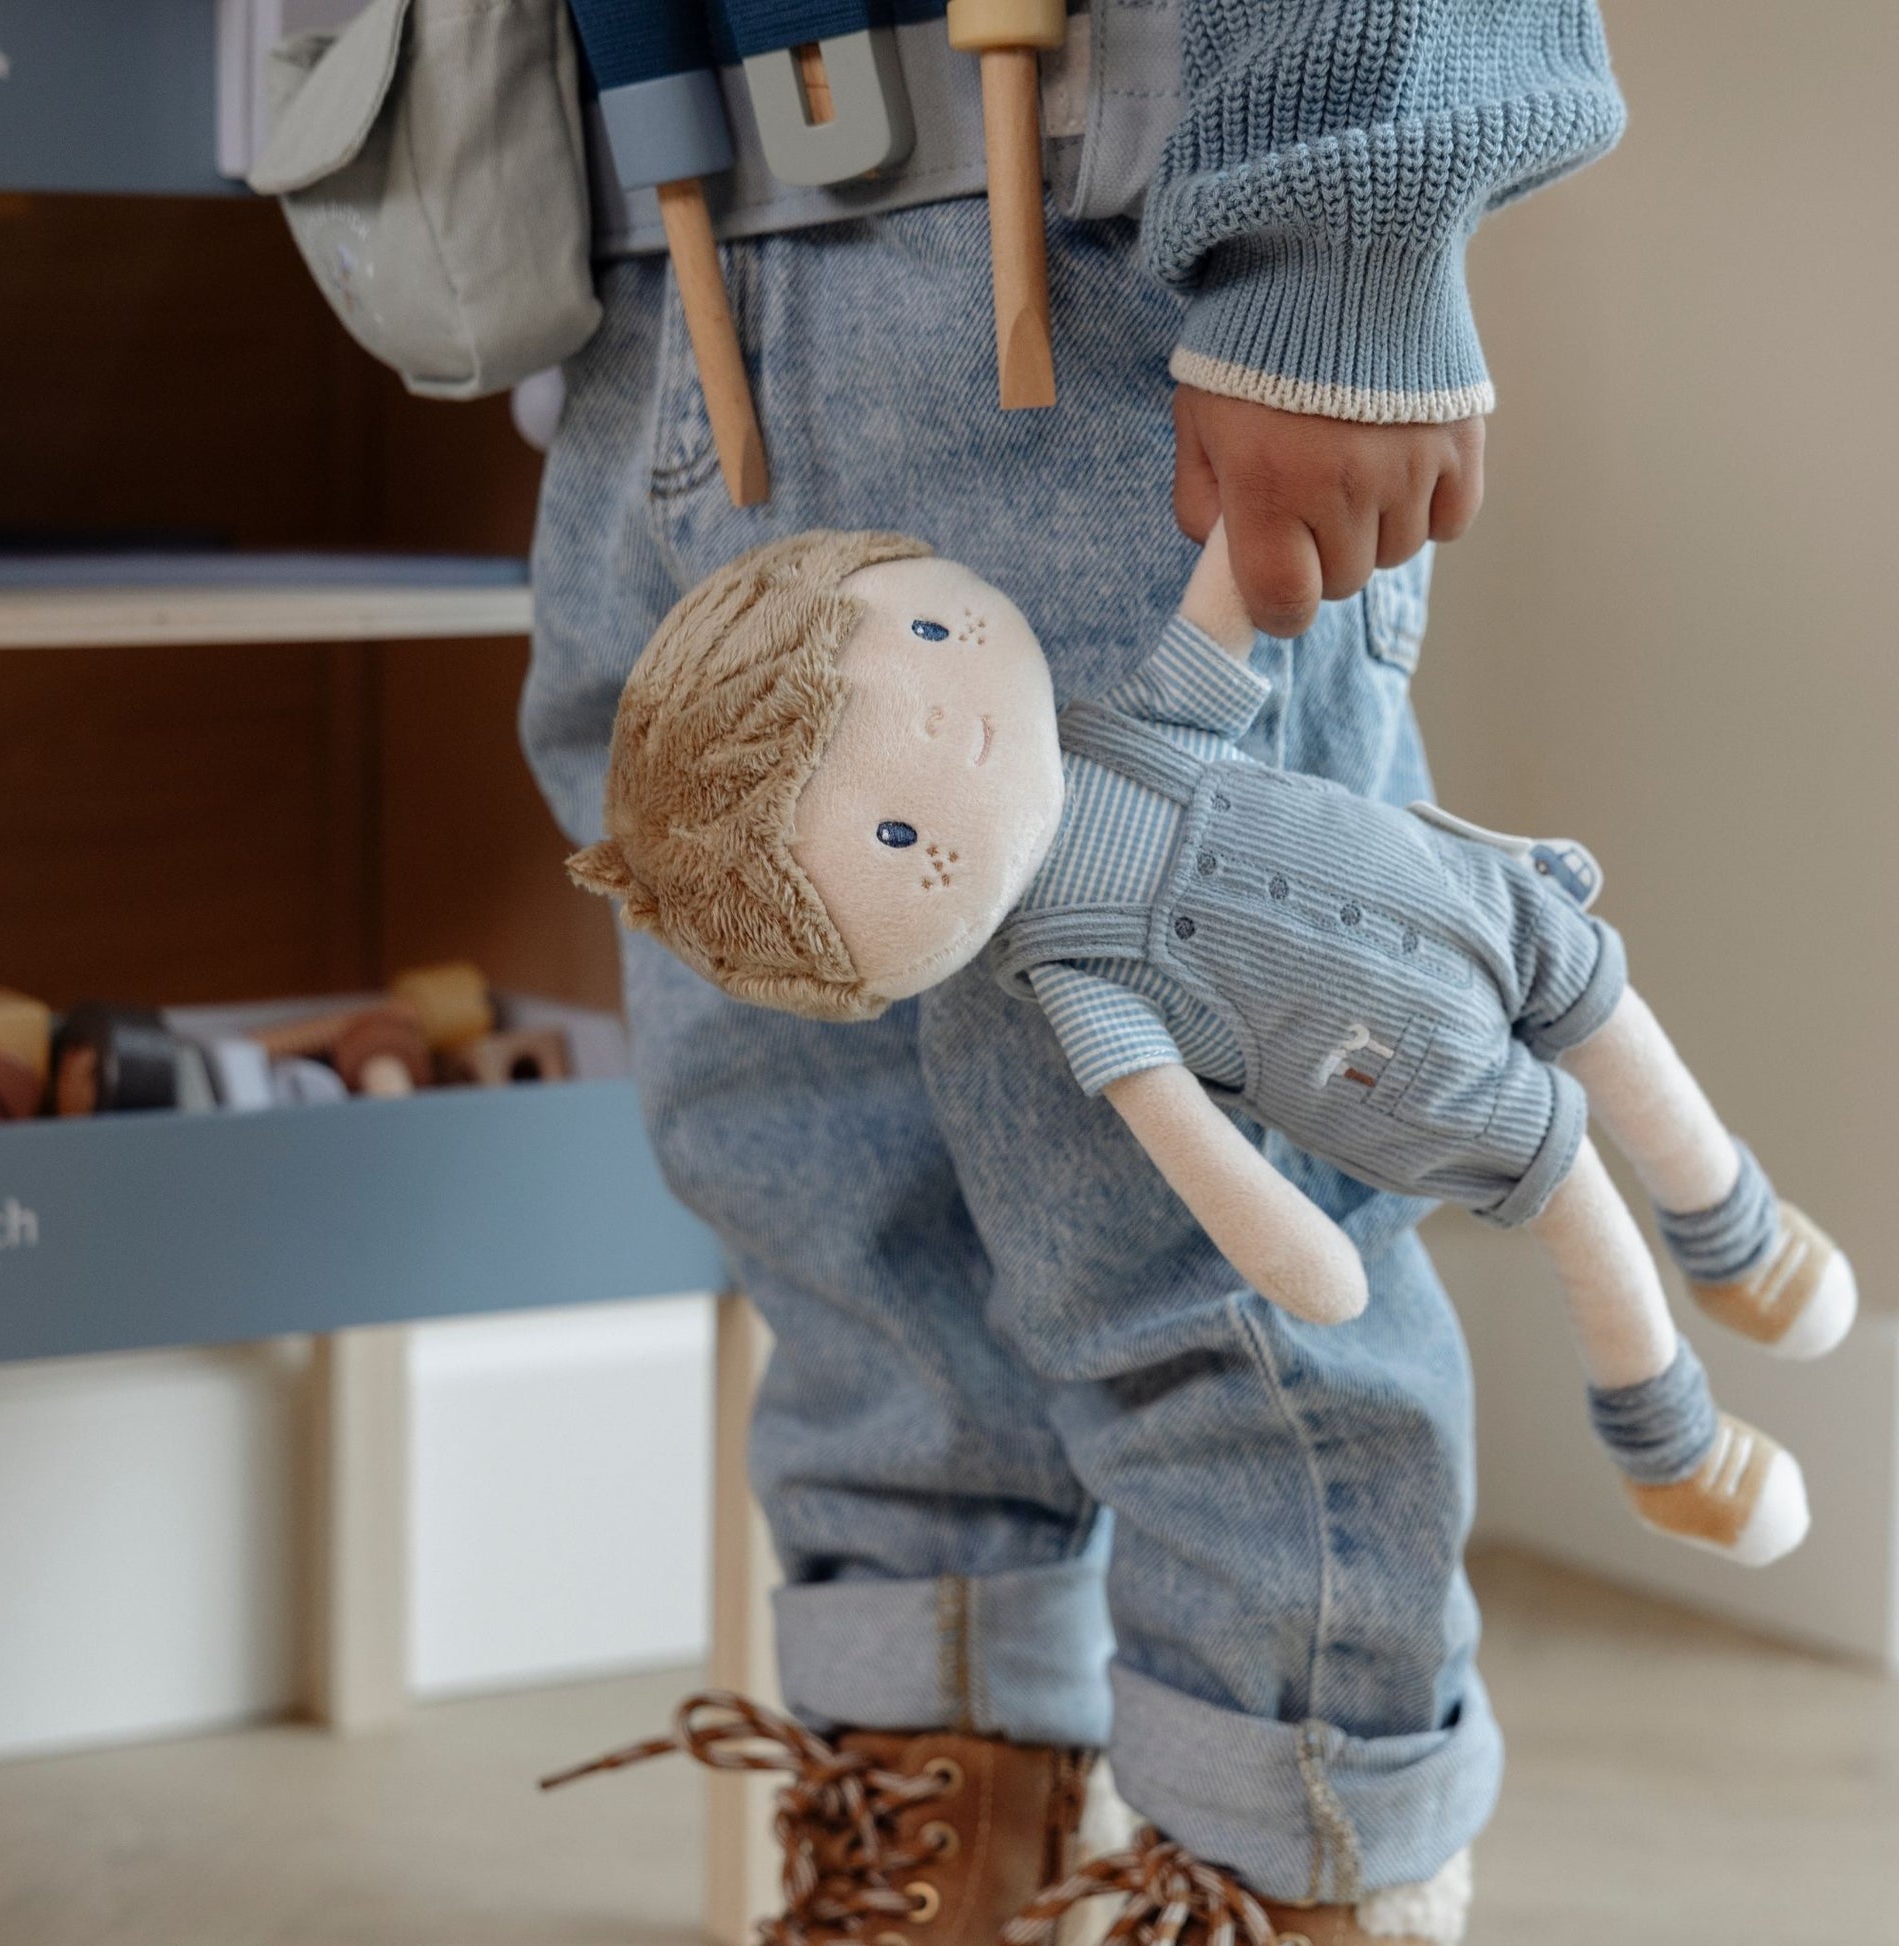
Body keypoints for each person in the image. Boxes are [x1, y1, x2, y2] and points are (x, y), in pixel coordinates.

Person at [524, 6, 1629, 1941]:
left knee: (1203, 1222)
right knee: (821, 1188)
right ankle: (934, 1825)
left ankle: (1291, 1862)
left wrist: (1343, 233)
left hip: (1093, 249)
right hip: (662, 281)